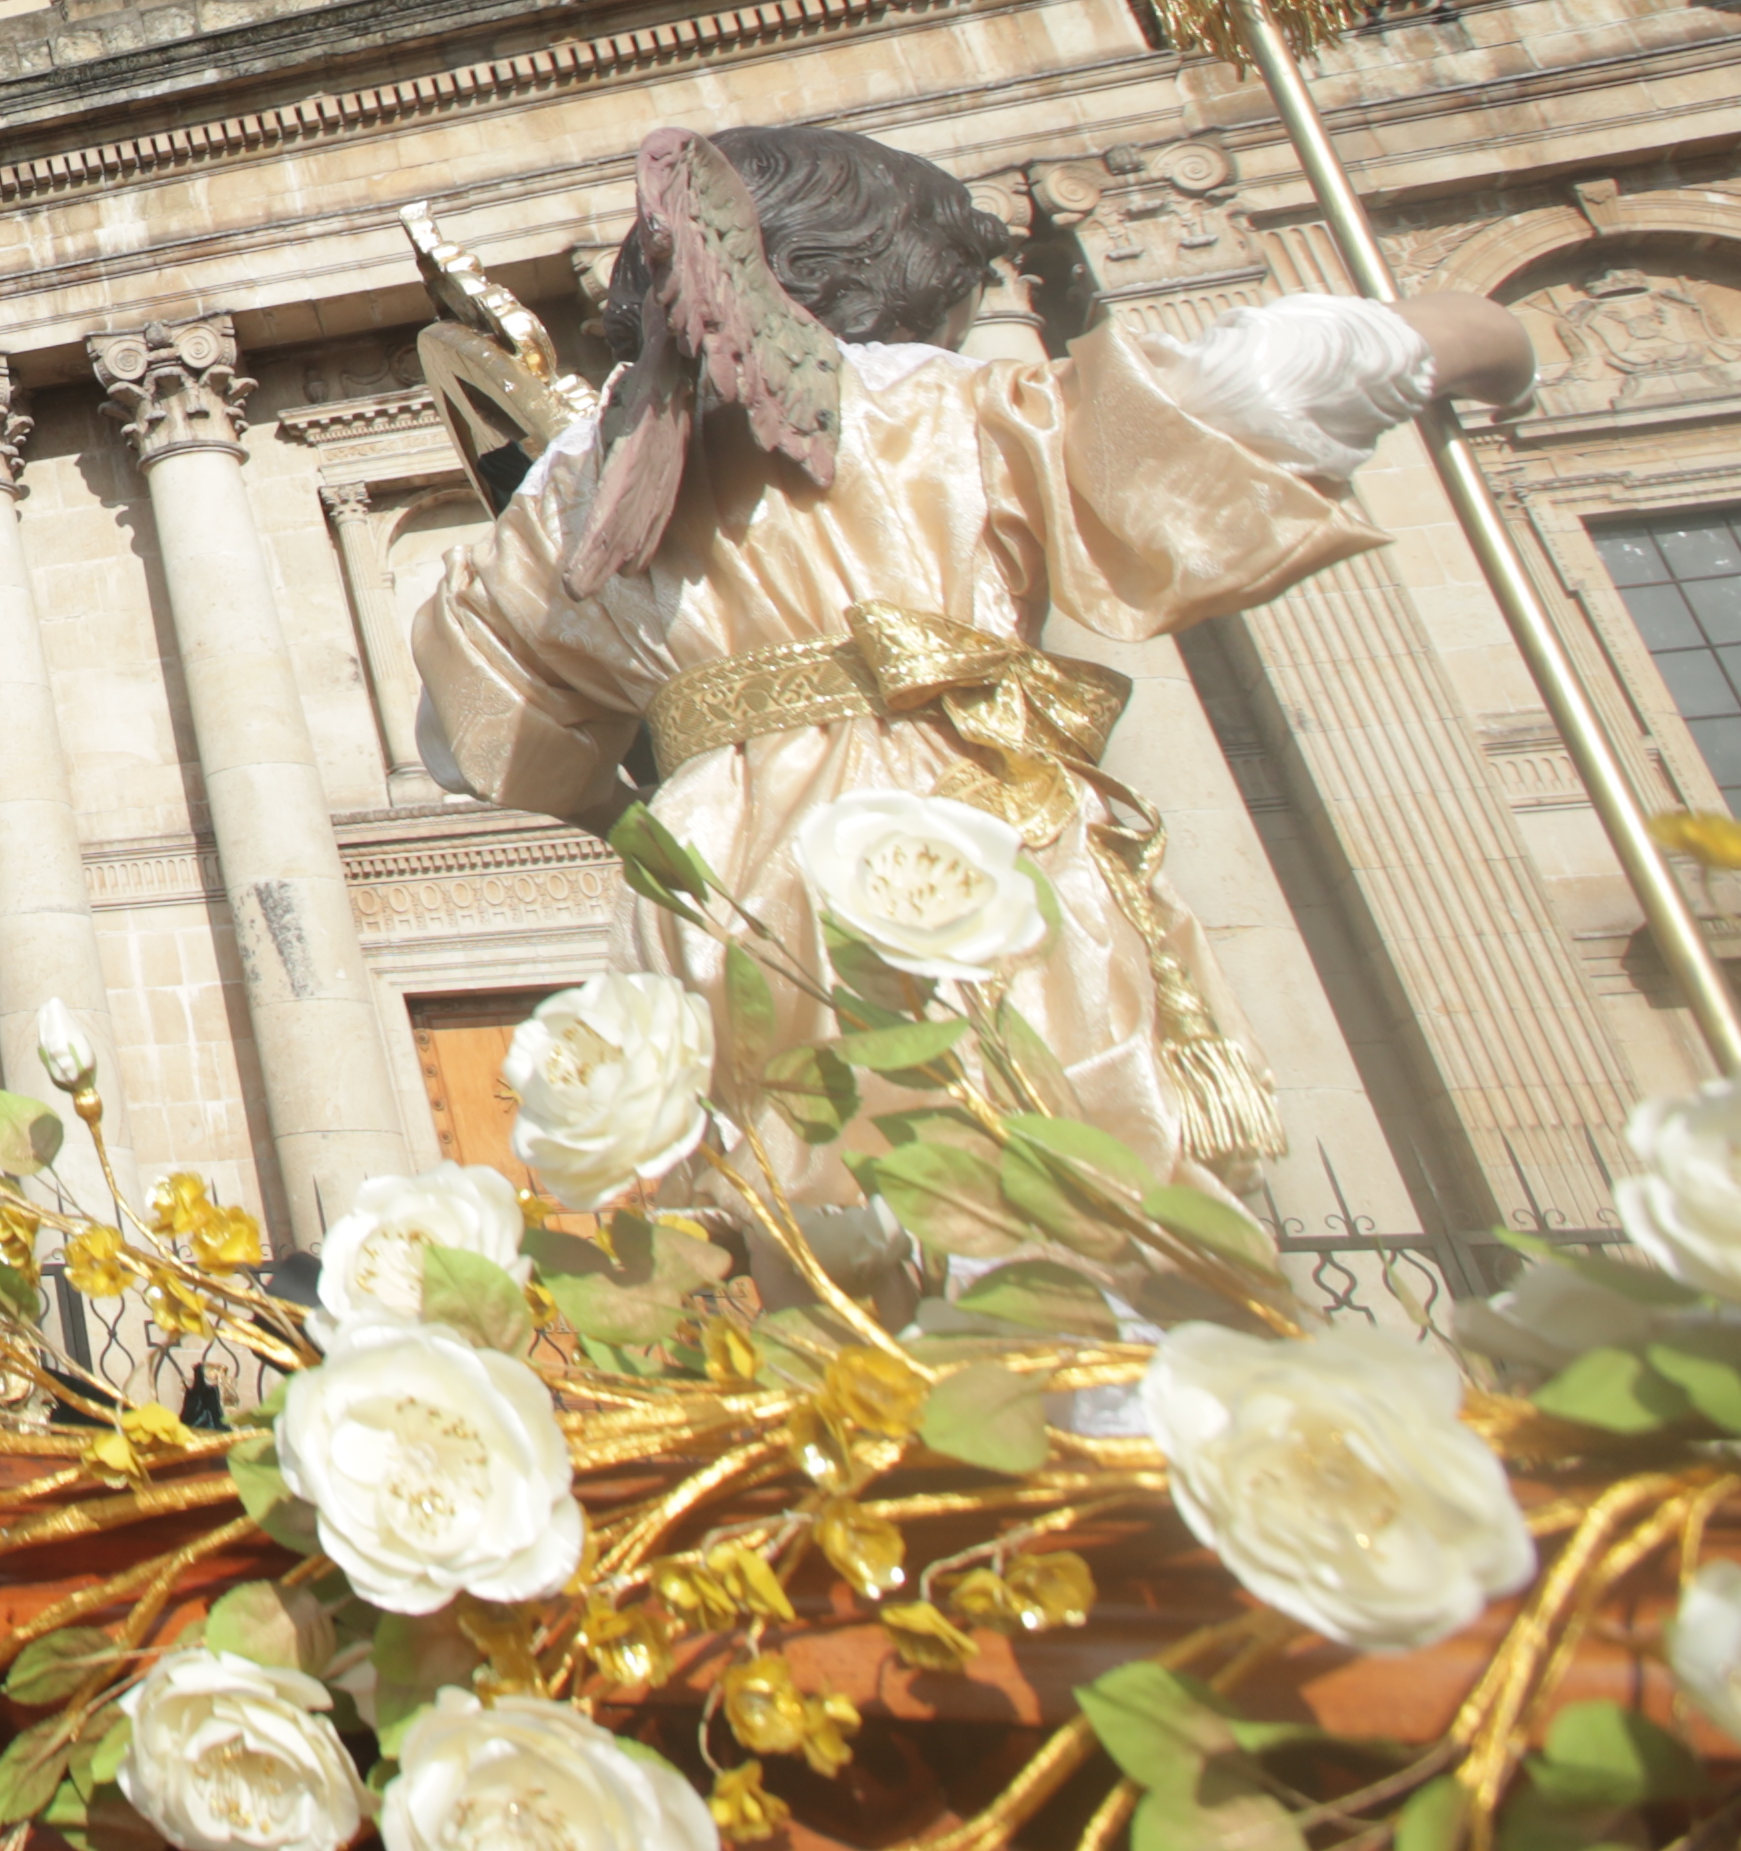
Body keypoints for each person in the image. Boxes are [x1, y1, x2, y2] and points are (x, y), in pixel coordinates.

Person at [414, 122, 1533, 1202]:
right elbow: (1258, 388)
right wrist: (1484, 338)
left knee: (803, 1202)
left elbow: (471, 730)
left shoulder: (578, 478)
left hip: (722, 874)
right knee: (1044, 1153)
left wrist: (646, 799)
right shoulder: (932, 405)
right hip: (946, 814)